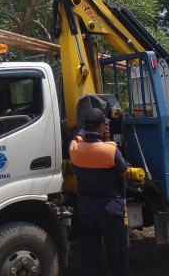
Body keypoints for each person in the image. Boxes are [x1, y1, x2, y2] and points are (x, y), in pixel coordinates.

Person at [69, 108, 130, 276]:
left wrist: (83, 132)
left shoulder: (75, 150)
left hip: (86, 211)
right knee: (118, 261)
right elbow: (123, 170)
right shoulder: (110, 150)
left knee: (90, 261)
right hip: (110, 211)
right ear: (102, 127)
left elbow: (75, 139)